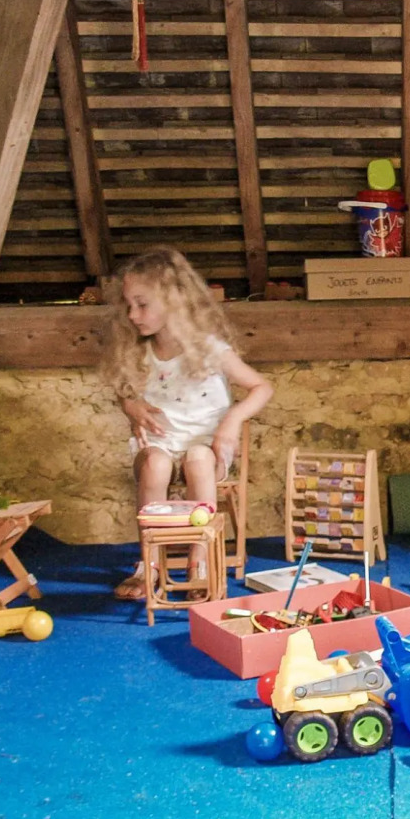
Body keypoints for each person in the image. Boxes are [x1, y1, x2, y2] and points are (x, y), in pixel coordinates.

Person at [101, 247, 273, 599]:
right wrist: (131, 406)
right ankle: (149, 563)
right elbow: (123, 391)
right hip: (159, 445)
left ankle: (200, 561)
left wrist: (231, 421)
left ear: (174, 300)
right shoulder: (138, 350)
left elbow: (262, 387)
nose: (132, 314)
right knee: (155, 464)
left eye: (142, 304)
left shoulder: (209, 349)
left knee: (197, 459)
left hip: (207, 449)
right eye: (128, 305)